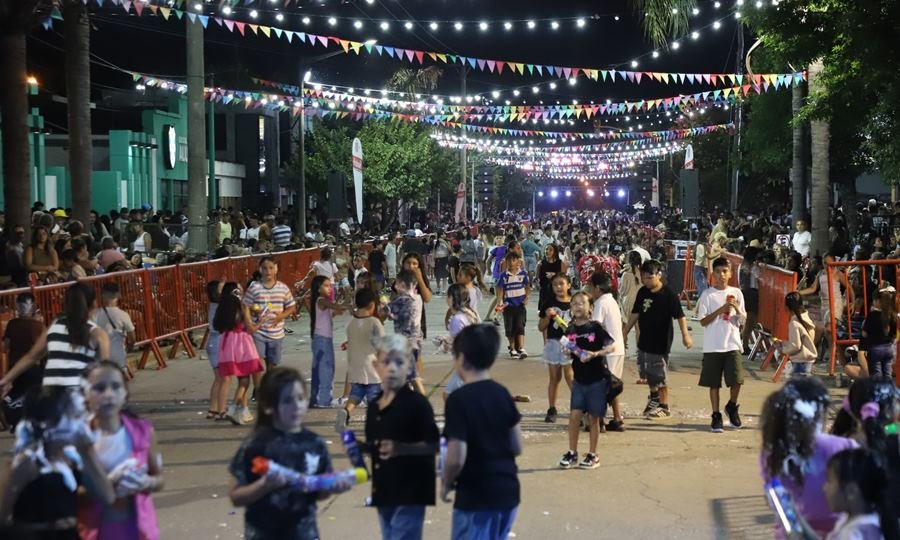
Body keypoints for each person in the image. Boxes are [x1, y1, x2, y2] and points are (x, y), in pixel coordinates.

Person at [229, 367, 352, 540]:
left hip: (304, 533)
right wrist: (264, 485)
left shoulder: (314, 443)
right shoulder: (255, 446)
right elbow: (236, 496)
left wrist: (331, 486)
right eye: (287, 400)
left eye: (301, 398)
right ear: (267, 405)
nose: (297, 406)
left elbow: (319, 491)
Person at [0, 386, 116, 538]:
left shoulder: (73, 459)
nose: (78, 423)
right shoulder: (27, 462)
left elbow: (107, 497)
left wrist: (87, 451)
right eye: (71, 417)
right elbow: (3, 514)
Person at [441, 324, 522, 540]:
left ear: (461, 358)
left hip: (475, 496)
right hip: (508, 491)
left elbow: (456, 457)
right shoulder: (502, 394)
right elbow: (516, 445)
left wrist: (446, 482)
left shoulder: (458, 400)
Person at [760, 377, 859, 537]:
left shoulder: (772, 451)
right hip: (840, 532)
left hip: (791, 533)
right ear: (820, 412)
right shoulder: (840, 446)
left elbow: (777, 499)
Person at [364, 334, 440, 540]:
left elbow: (434, 445)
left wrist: (401, 449)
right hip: (385, 488)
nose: (392, 368)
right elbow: (376, 446)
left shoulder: (418, 405)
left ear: (409, 367)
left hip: (411, 490)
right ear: (375, 366)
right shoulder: (374, 406)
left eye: (399, 362)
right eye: (386, 362)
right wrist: (360, 449)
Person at [80, 361, 164, 539]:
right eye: (99, 388)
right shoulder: (78, 439)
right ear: (85, 395)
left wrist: (146, 483)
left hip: (139, 529)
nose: (109, 395)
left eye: (116, 387)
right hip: (95, 530)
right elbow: (68, 495)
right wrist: (108, 484)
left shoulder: (144, 431)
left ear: (125, 393)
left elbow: (159, 478)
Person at [1, 283, 110, 392]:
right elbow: (104, 373)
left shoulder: (54, 327)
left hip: (52, 397)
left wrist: (6, 379)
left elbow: (31, 357)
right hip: (80, 397)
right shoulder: (98, 334)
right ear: (94, 303)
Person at [623, 259, 693, 419]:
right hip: (644, 340)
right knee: (647, 373)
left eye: (650, 277)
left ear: (659, 275)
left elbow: (680, 316)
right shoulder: (642, 292)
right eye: (644, 277)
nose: (646, 281)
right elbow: (635, 313)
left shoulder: (668, 294)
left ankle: (664, 406)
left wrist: (685, 336)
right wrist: (625, 331)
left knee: (659, 375)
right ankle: (654, 399)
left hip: (660, 342)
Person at [557, 291, 616, 470]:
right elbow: (568, 350)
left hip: (597, 380)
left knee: (593, 418)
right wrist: (567, 352)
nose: (577, 306)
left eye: (582, 303)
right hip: (579, 381)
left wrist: (595, 354)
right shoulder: (570, 329)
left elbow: (611, 346)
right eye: (574, 303)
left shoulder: (595, 327)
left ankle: (593, 455)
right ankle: (572, 452)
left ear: (591, 308)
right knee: (574, 415)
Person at [697, 256, 746, 432]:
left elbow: (742, 320)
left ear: (730, 273)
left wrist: (736, 309)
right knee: (714, 383)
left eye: (725, 271)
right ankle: (716, 414)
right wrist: (721, 310)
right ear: (713, 274)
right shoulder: (707, 295)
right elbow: (702, 321)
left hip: (732, 343)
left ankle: (732, 406)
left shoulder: (737, 293)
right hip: (713, 345)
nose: (721, 275)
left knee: (737, 379)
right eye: (718, 272)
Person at [334, 288, 384, 431]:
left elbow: (356, 341)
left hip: (355, 367)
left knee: (356, 394)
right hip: (372, 369)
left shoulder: (351, 323)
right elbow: (381, 346)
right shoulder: (374, 322)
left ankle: (346, 411)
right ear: (371, 304)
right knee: (375, 397)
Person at [215, 284, 265, 426]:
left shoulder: (223, 307)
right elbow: (251, 329)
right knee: (245, 380)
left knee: (240, 378)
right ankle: (233, 407)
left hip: (227, 345)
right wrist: (260, 321)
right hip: (242, 345)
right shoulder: (242, 307)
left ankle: (242, 410)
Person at [824, 448, 898, 540]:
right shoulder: (872, 520)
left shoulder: (853, 534)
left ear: (851, 491)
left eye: (829, 480)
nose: (824, 488)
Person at [243, 257, 297, 371]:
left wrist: (281, 316)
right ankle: (259, 387)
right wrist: (249, 324)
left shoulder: (283, 288)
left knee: (273, 363)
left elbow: (291, 306)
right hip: (258, 331)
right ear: (260, 270)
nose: (268, 271)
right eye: (265, 268)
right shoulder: (254, 288)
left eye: (271, 268)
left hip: (276, 333)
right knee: (258, 361)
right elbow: (245, 305)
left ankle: (269, 384)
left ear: (276, 269)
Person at [0, 293, 45, 431]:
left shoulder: (12, 324)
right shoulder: (38, 325)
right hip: (33, 367)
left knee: (15, 397)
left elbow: (6, 347)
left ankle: (15, 423)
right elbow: (43, 348)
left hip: (16, 367)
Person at [588, 272, 626, 431]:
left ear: (597, 288)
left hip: (608, 351)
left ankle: (600, 421)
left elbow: (594, 327)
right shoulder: (612, 301)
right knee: (613, 386)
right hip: (618, 349)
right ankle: (617, 418)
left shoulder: (601, 303)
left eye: (591, 287)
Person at [538, 273, 574, 424]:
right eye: (555, 285)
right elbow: (541, 327)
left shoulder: (575, 302)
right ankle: (552, 408)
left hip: (570, 343)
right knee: (554, 378)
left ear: (568, 285)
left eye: (561, 284)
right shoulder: (548, 303)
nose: (558, 287)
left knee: (571, 377)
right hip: (553, 343)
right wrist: (547, 316)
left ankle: (578, 409)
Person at [385, 270, 426, 395]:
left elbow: (384, 311)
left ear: (402, 284)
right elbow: (401, 315)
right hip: (415, 342)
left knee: (412, 377)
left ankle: (423, 405)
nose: (395, 285)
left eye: (396, 283)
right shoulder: (417, 298)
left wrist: (384, 303)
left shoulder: (401, 300)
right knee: (405, 377)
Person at [308, 276, 347, 408]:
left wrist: (344, 305)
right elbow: (334, 306)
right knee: (326, 368)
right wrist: (346, 305)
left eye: (330, 285)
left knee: (319, 368)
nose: (330, 288)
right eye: (326, 285)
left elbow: (336, 311)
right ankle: (324, 399)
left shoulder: (322, 302)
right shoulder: (321, 301)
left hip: (322, 338)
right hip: (323, 339)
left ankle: (316, 398)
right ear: (318, 289)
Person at [440, 283, 482, 401]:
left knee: (449, 395)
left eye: (448, 296)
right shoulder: (470, 313)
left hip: (465, 363)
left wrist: (444, 344)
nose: (446, 299)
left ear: (452, 298)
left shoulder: (457, 319)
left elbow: (459, 343)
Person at [91, 283, 136, 371]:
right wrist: (130, 347)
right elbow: (132, 337)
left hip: (100, 359)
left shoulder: (94, 315)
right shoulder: (123, 315)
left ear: (102, 296)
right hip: (118, 359)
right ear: (118, 296)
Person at [496, 251, 530, 359]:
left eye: (514, 259)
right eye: (509, 260)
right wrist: (499, 304)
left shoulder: (523, 274)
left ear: (519, 261)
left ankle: (521, 348)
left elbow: (528, 287)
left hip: (520, 305)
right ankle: (512, 348)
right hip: (508, 305)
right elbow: (500, 290)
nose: (511, 262)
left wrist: (526, 298)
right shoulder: (504, 276)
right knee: (509, 328)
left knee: (520, 326)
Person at [859, 288, 897, 379]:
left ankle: (878, 392)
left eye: (874, 300)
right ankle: (889, 391)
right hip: (888, 348)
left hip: (875, 348)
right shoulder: (891, 315)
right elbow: (894, 333)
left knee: (877, 375)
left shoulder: (871, 315)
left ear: (878, 301)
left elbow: (864, 333)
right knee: (888, 374)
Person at [779, 292, 818, 377]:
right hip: (808, 360)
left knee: (798, 387)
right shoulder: (806, 319)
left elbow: (796, 346)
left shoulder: (794, 323)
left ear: (787, 307)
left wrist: (783, 350)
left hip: (800, 361)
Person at [536, 244, 567, 315]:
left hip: (556, 293)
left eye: (550, 250)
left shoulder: (560, 263)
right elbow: (537, 278)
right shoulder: (540, 264)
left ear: (555, 252)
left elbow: (564, 278)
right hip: (544, 293)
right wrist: (537, 283)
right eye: (546, 249)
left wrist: (555, 275)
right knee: (544, 315)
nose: (547, 251)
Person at [433, 231, 451, 295]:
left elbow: (450, 249)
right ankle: (438, 288)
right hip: (437, 259)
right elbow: (434, 251)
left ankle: (444, 290)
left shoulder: (447, 242)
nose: (444, 235)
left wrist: (444, 242)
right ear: (440, 235)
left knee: (444, 275)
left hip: (445, 259)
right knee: (437, 275)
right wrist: (433, 259)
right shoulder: (435, 242)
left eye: (444, 234)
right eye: (443, 234)